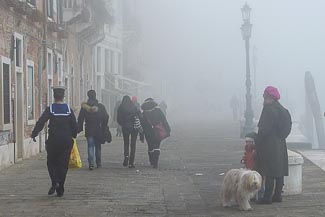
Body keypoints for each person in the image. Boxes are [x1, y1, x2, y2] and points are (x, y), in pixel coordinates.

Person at [31, 86, 77, 197]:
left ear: (54, 96)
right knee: (63, 164)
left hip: (53, 141)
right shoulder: (68, 109)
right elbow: (75, 126)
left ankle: (55, 181)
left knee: (51, 162)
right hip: (66, 141)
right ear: (63, 96)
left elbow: (41, 122)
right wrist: (73, 136)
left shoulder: (50, 109)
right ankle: (60, 187)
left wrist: (34, 133)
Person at [255, 86, 290, 204]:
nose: (263, 98)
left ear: (270, 97)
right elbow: (287, 128)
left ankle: (267, 197)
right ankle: (277, 196)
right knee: (279, 170)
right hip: (280, 143)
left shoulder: (268, 109)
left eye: (264, 96)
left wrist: (257, 141)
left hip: (269, 144)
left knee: (269, 170)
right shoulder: (283, 110)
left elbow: (263, 129)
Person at [77, 90, 109, 170]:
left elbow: (80, 119)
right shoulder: (100, 106)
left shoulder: (84, 108)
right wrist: (104, 125)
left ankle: (91, 164)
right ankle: (98, 163)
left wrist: (79, 128)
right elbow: (106, 117)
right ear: (95, 95)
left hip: (89, 129)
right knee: (98, 147)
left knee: (90, 147)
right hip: (98, 129)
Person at [141, 98, 171, 168]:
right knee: (157, 146)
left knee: (150, 146)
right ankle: (156, 162)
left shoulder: (144, 113)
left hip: (148, 132)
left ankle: (151, 160)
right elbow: (164, 120)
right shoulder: (158, 110)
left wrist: (141, 134)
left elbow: (142, 124)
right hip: (157, 130)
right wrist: (168, 129)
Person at [117, 95, 143, 168]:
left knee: (126, 143)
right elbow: (140, 115)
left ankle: (126, 157)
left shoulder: (121, 107)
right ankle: (131, 162)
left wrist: (123, 123)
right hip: (134, 128)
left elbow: (118, 119)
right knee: (133, 144)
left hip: (125, 127)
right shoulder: (134, 106)